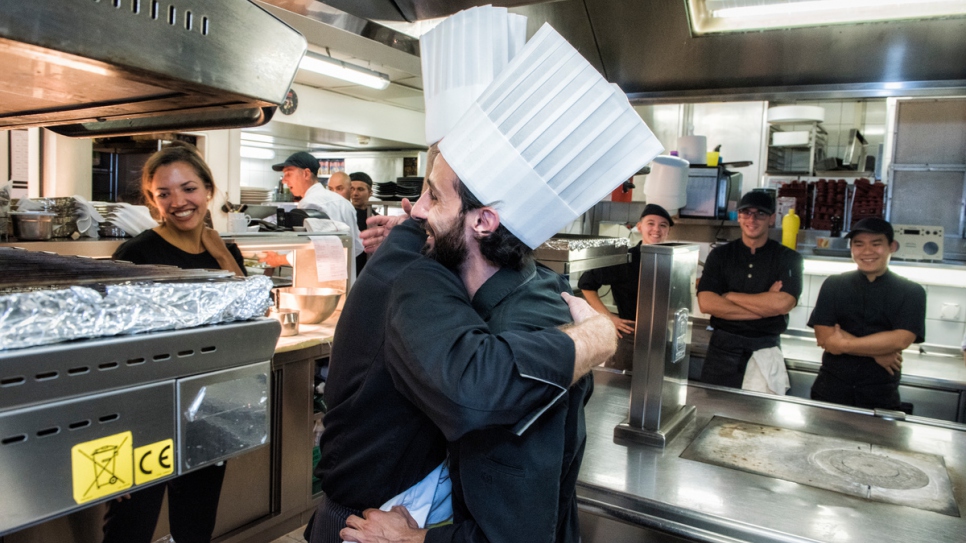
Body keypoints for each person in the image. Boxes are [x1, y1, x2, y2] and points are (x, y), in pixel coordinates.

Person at [104, 142, 245, 543]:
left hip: (207, 406)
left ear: (208, 190)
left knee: (196, 526)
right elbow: (113, 343)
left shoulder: (224, 249)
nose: (179, 202)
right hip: (146, 411)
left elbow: (248, 317)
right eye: (163, 194)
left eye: (188, 189)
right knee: (130, 528)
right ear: (152, 202)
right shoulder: (137, 253)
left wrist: (222, 256)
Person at [808, 217, 926, 410]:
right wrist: (877, 354)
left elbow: (901, 340)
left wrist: (843, 344)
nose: (867, 251)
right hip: (830, 392)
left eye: (876, 244)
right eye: (859, 244)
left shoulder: (912, 292)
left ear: (892, 246)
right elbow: (824, 337)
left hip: (880, 396)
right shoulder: (834, 285)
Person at [696, 191, 803, 388]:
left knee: (760, 415)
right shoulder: (720, 255)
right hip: (722, 350)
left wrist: (730, 296)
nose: (752, 219)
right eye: (746, 213)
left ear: (771, 219)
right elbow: (706, 303)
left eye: (760, 213)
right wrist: (766, 308)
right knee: (714, 408)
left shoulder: (789, 258)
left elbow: (783, 303)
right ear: (739, 217)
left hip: (765, 348)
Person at [578, 203, 674, 371]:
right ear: (640, 226)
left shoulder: (672, 260)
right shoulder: (624, 259)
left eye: (663, 225)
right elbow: (586, 284)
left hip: (661, 334)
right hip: (630, 335)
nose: (656, 229)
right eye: (650, 223)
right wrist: (609, 318)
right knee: (620, 388)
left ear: (668, 231)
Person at [273, 151, 363, 262]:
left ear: (306, 174)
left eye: (288, 174)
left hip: (319, 278)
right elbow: (358, 246)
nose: (284, 180)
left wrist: (278, 259)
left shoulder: (309, 203)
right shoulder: (345, 203)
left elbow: (310, 251)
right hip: (347, 277)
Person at [349, 171, 377, 272]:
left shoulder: (376, 218)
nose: (355, 193)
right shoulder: (345, 216)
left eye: (360, 189)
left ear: (370, 193)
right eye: (352, 189)